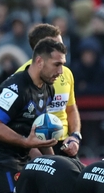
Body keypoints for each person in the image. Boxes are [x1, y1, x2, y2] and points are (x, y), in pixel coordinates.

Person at [0, 39, 65, 193]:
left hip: (21, 155)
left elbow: (40, 131)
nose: (60, 71)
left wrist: (55, 165)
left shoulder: (48, 89)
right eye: (57, 64)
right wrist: (25, 142)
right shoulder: (15, 89)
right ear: (39, 61)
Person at [15, 24, 82, 159]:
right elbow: (12, 123)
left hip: (64, 145)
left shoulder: (66, 73)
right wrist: (32, 149)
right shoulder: (21, 77)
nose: (62, 50)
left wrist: (75, 136)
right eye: (56, 45)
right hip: (35, 147)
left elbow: (71, 109)